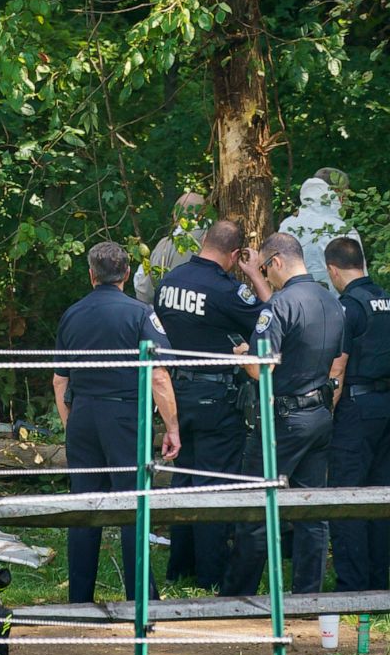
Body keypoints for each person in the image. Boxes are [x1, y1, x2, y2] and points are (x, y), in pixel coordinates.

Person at [53, 241, 181, 603]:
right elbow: (158, 376)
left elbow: (59, 379)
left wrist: (71, 423)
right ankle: (140, 594)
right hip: (125, 415)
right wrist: (171, 427)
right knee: (133, 502)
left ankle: (79, 597)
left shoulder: (72, 314)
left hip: (83, 413)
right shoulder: (141, 314)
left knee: (84, 505)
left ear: (91, 274)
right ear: (126, 274)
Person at [220, 232, 344, 596]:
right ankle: (307, 594)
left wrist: (242, 356)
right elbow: (337, 361)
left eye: (264, 269)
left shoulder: (279, 306)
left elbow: (263, 370)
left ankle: (238, 596)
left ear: (275, 261)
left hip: (282, 420)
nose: (265, 276)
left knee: (256, 508)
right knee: (311, 513)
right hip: (320, 414)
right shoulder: (331, 301)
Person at [154, 220, 272, 589]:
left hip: (176, 395)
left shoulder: (169, 282)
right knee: (214, 486)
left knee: (183, 481)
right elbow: (273, 316)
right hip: (217, 399)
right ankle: (210, 575)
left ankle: (180, 567)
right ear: (236, 255)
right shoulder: (228, 291)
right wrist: (255, 277)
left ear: (204, 241)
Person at [324, 236, 390, 592]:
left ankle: (352, 585)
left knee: (347, 495)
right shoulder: (386, 299)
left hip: (357, 409)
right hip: (386, 408)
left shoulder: (348, 307)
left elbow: (338, 368)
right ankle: (380, 582)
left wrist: (326, 415)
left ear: (333, 270)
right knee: (381, 497)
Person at [279, 177, 362, 295]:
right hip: (337, 306)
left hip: (294, 303)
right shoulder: (342, 229)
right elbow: (358, 279)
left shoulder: (286, 225)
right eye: (344, 193)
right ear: (334, 192)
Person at [133, 193, 207, 305]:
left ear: (175, 215)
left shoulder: (165, 245)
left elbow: (146, 292)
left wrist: (139, 276)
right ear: (204, 214)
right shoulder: (215, 240)